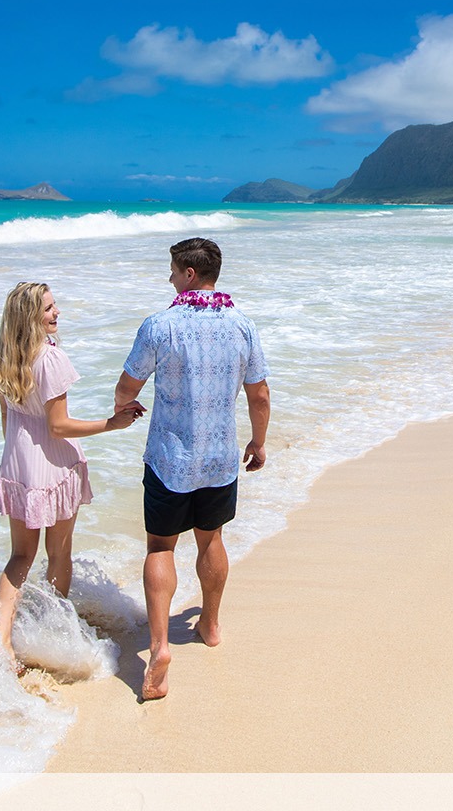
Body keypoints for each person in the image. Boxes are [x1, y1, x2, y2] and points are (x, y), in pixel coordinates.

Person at [114, 237, 270, 700]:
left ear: (188, 274)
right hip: (220, 459)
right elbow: (259, 394)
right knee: (212, 539)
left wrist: (125, 406)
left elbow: (127, 384)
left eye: (172, 270)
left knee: (161, 547)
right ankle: (211, 624)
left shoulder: (160, 326)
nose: (168, 278)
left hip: (169, 458)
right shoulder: (242, 326)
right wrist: (258, 443)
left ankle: (160, 646)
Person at [0, 281, 144, 672]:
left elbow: (8, 417)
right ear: (30, 317)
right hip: (53, 464)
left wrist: (16, 458)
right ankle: (56, 628)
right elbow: (58, 427)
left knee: (20, 556)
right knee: (59, 553)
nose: (57, 313)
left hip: (18, 461)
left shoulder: (3, 356)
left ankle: (0, 641)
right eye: (48, 309)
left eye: (55, 306)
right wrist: (112, 424)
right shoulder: (50, 360)